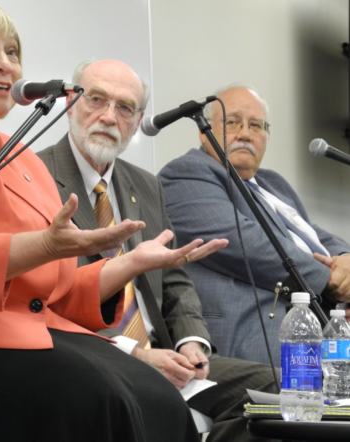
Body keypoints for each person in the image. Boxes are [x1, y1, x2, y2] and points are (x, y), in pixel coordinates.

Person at [0, 1, 230, 441]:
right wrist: (45, 246)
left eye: (13, 53)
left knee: (157, 398)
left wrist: (127, 264)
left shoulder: (18, 157)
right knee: (101, 400)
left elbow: (52, 293)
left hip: (25, 332)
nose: (5, 65)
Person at [38, 59, 279, 442]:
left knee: (270, 390)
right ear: (70, 103)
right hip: (95, 355)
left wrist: (192, 343)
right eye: (96, 99)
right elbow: (43, 299)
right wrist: (134, 354)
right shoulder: (33, 175)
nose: (109, 116)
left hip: (169, 355)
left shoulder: (145, 184)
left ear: (138, 121)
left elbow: (174, 278)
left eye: (124, 108)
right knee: (145, 395)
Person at [158, 85, 350, 365]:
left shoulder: (273, 183)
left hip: (314, 325)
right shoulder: (185, 174)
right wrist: (332, 278)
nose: (245, 133)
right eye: (233, 122)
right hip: (254, 332)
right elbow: (247, 243)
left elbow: (313, 235)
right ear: (204, 130)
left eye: (256, 125)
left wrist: (345, 260)